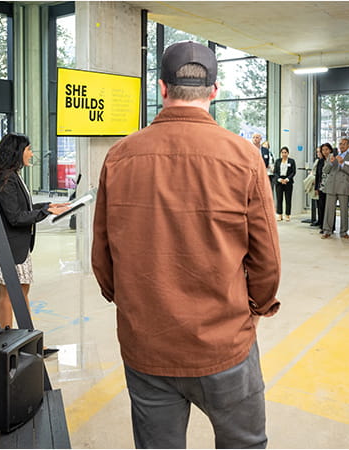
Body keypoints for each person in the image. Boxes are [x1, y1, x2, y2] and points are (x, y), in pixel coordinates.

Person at [90, 42, 280, 449]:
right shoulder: (244, 156)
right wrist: (255, 310)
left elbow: (102, 257)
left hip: (147, 344)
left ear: (161, 88)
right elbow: (267, 260)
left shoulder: (120, 156)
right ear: (214, 90)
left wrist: (133, 303)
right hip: (225, 343)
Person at [0, 133, 69, 329]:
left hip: (17, 246)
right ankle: (6, 341)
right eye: (28, 149)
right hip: (10, 246)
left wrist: (48, 205)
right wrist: (45, 212)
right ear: (17, 152)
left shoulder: (12, 175)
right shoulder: (6, 178)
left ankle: (27, 338)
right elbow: (15, 217)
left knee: (21, 290)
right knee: (9, 294)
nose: (31, 153)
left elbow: (23, 206)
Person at [322, 139, 349, 239]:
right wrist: (330, 163)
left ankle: (343, 232)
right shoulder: (332, 156)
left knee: (344, 210)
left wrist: (342, 164)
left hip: (344, 186)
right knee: (329, 209)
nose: (341, 146)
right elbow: (325, 170)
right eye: (340, 144)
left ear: (348, 146)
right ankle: (327, 230)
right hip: (331, 185)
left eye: (344, 144)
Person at [274, 146, 296, 221]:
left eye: (285, 152)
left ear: (288, 153)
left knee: (288, 199)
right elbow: (275, 172)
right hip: (279, 182)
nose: (284, 154)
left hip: (288, 182)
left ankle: (287, 215)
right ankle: (279, 214)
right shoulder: (277, 161)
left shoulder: (291, 161)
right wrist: (279, 179)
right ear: (280, 153)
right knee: (279, 199)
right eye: (282, 152)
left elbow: (293, 172)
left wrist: (287, 179)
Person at [312, 144, 331, 229]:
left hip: (331, 187)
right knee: (321, 206)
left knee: (330, 208)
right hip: (321, 187)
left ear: (330, 150)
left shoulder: (333, 160)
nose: (325, 152)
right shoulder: (320, 161)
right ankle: (322, 225)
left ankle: (330, 226)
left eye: (326, 149)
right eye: (323, 150)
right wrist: (316, 188)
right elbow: (318, 175)